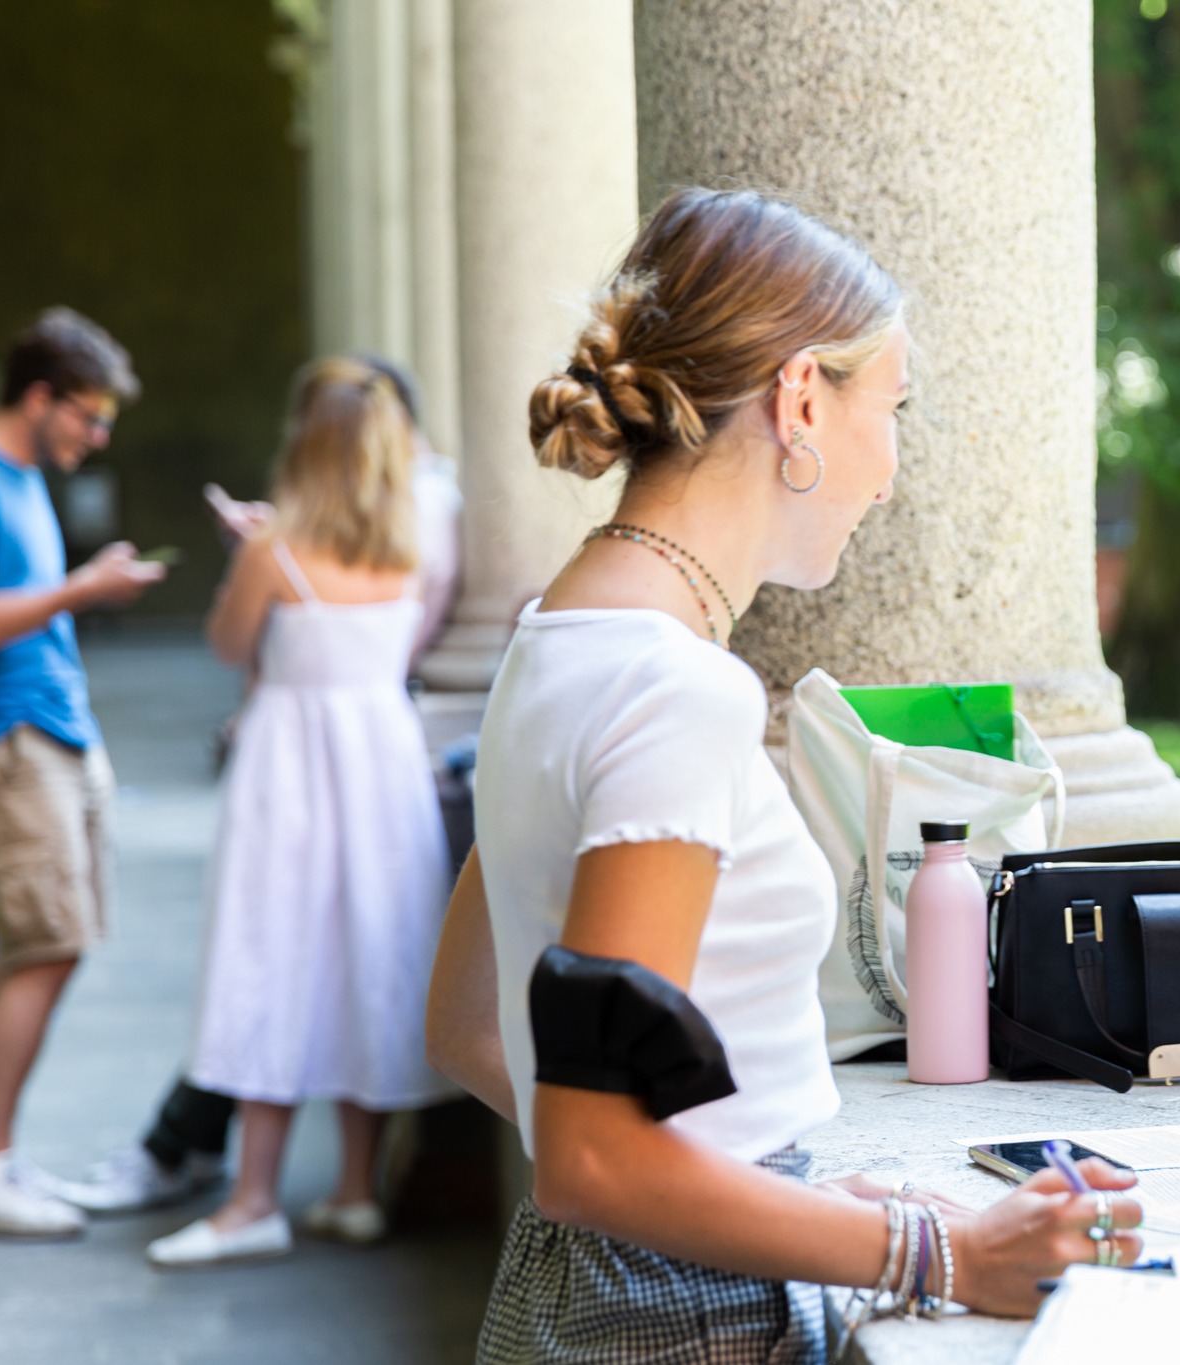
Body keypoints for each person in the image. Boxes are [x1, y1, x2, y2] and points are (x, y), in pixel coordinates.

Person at [423, 187, 1141, 1363]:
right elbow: (595, 1156)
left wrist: (780, 1192)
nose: (890, 472)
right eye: (892, 409)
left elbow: (465, 1029)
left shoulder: (554, 635)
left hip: (601, 1298)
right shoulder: (675, 692)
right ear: (801, 398)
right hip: (682, 1316)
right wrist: (940, 1255)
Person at [62, 354, 464, 1218]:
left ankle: (252, 1200)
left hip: (292, 764)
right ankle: (356, 1190)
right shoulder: (412, 540)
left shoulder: (278, 548)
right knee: (368, 961)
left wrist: (245, 556)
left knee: (269, 956)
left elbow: (229, 643)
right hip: (383, 759)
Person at [0, 308, 164, 1237]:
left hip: (53, 730)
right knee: (40, 944)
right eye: (86, 418)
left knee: (52, 941)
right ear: (40, 395)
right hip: (1, 740)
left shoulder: (18, 477)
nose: (95, 438)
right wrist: (86, 588)